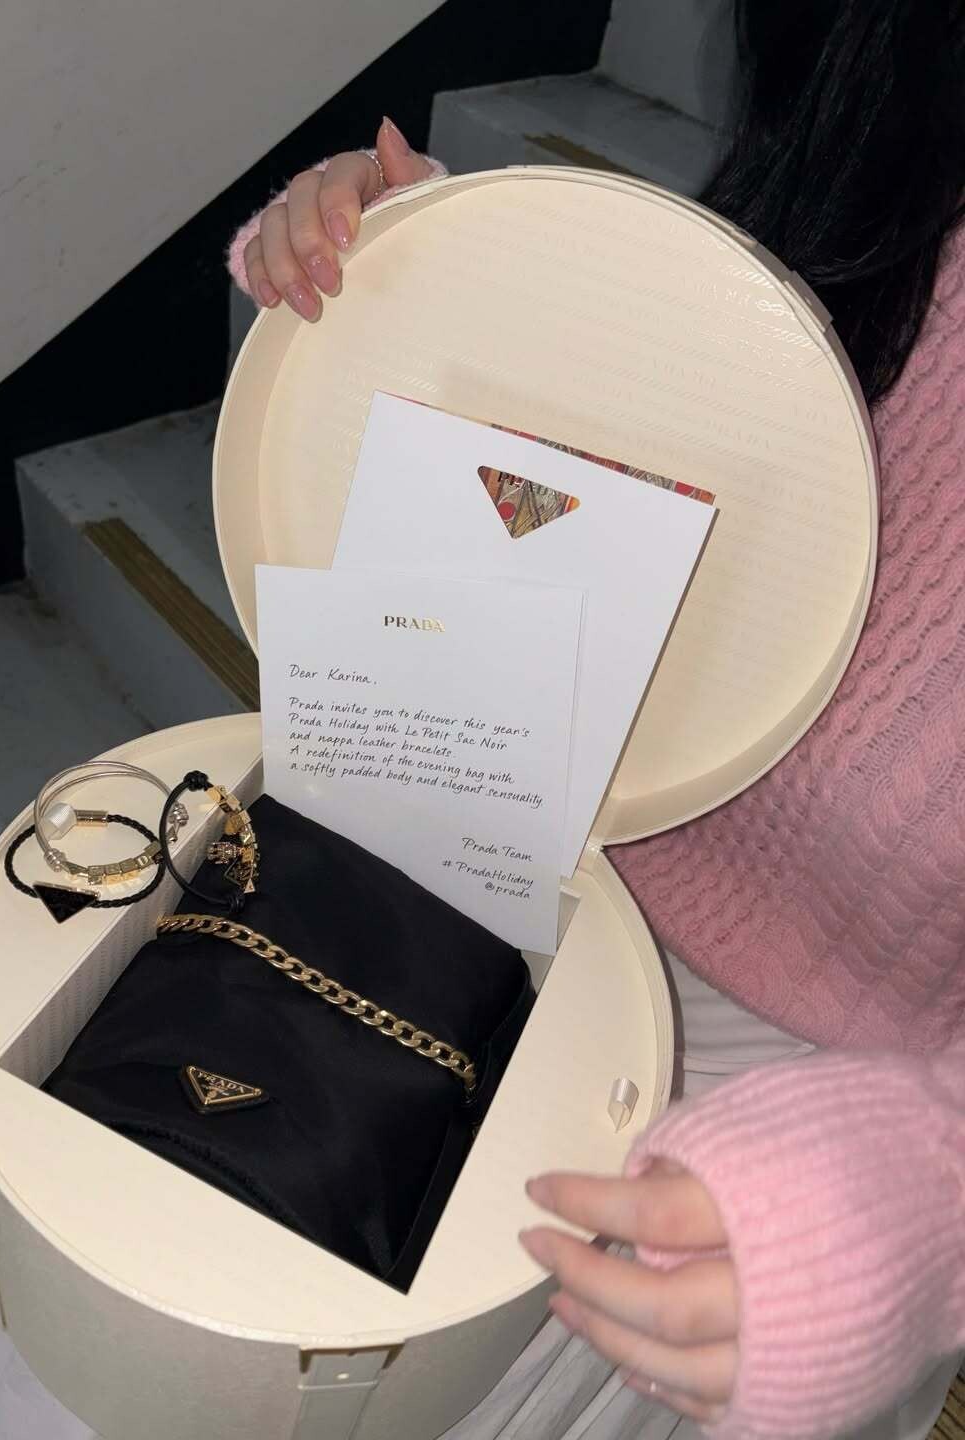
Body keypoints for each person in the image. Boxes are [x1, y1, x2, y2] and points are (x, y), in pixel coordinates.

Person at [226, 5, 965, 1440]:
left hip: (829, 1082)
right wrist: (406, 280)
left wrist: (934, 1192)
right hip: (545, 828)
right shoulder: (886, 123)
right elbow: (649, 464)